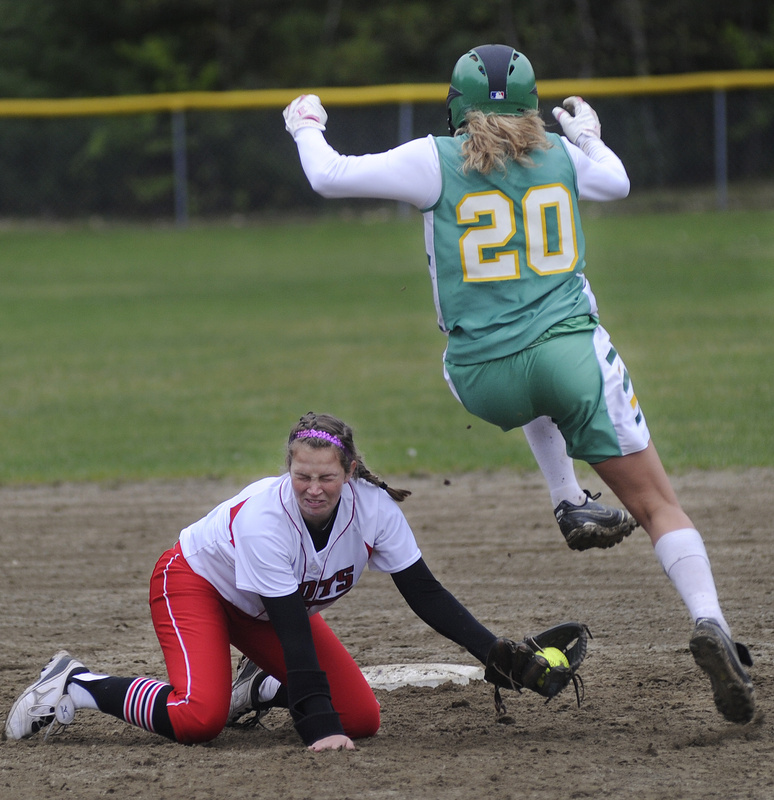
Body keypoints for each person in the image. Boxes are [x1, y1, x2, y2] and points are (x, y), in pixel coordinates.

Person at [279, 45, 755, 724]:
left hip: (481, 376)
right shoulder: (561, 153)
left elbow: (328, 176)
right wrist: (587, 129)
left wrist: (305, 121)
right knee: (658, 507)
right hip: (571, 357)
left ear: (455, 104)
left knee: (526, 381)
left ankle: (568, 499)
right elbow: (617, 182)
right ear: (533, 103)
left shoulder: (432, 159)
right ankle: (709, 621)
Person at [3, 412, 579, 750]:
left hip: (258, 609)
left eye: (326, 476)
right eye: (301, 475)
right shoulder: (265, 520)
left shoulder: (373, 509)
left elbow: (426, 594)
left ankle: (256, 687)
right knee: (198, 719)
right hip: (194, 585)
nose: (313, 488)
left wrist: (493, 650)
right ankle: (77, 683)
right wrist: (317, 727)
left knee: (364, 719)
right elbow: (290, 625)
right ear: (289, 470)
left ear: (349, 472)